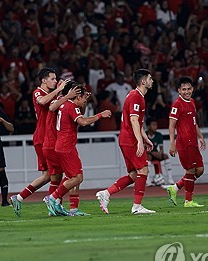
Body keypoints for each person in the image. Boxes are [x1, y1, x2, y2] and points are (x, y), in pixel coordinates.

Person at [45, 83, 112, 216]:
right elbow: (83, 122)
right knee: (77, 178)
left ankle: (69, 206)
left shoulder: (65, 105)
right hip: (66, 147)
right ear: (77, 96)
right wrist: (100, 115)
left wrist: (83, 99)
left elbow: (80, 112)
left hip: (64, 145)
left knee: (71, 177)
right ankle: (52, 198)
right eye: (84, 98)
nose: (85, 100)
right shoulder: (71, 106)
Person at [96, 69, 156, 215]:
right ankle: (137, 206)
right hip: (130, 139)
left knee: (134, 175)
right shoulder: (136, 97)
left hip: (126, 138)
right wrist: (139, 142)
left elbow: (138, 122)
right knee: (143, 170)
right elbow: (134, 121)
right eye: (150, 78)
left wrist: (145, 138)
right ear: (143, 81)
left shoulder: (135, 95)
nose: (152, 80)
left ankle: (106, 194)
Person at [10, 68, 67, 216]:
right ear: (43, 80)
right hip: (43, 138)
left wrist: (61, 93)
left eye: (56, 79)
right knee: (56, 174)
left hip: (49, 137)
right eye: (52, 79)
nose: (55, 81)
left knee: (50, 175)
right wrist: (59, 90)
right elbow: (42, 101)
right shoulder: (38, 92)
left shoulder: (50, 93)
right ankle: (54, 205)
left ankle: (20, 197)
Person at [166, 76, 206, 208]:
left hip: (193, 142)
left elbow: (194, 123)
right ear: (179, 90)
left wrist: (200, 137)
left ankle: (175, 188)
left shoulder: (192, 102)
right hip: (184, 143)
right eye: (184, 89)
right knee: (190, 170)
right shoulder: (177, 104)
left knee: (199, 170)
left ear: (193, 89)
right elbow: (171, 125)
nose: (187, 92)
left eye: (189, 89)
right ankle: (188, 201)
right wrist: (172, 143)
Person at [146, 118, 174, 186]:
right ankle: (148, 180)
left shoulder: (159, 135)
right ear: (148, 126)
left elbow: (161, 148)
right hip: (147, 153)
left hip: (156, 153)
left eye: (156, 125)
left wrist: (160, 153)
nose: (155, 127)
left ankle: (170, 179)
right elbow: (143, 149)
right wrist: (152, 153)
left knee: (165, 156)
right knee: (148, 157)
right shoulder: (144, 134)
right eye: (153, 125)